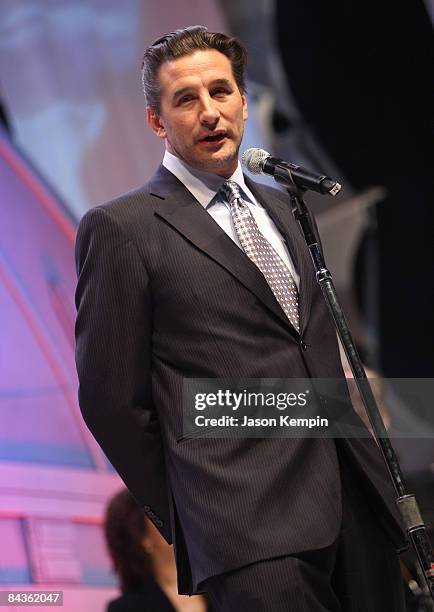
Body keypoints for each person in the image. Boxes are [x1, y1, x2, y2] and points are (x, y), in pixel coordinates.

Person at [75, 25, 407, 611]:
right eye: (186, 99)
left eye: (221, 92)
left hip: (356, 505)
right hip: (249, 533)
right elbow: (110, 401)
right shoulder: (124, 228)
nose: (209, 112)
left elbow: (318, 354)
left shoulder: (287, 205)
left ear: (244, 103)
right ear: (157, 122)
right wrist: (199, 509)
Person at [104, 489, 209, 611]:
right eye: (164, 514)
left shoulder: (217, 586)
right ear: (142, 536)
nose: (176, 519)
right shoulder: (125, 608)